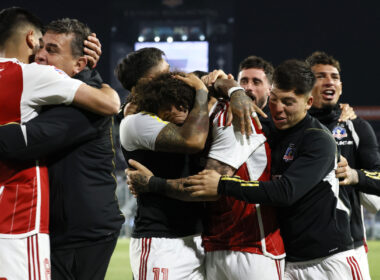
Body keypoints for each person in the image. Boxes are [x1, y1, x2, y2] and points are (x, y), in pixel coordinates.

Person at [184, 59, 363, 280]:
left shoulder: (318, 140)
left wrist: (222, 184)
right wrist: (228, 87)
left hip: (329, 260)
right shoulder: (271, 127)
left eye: (288, 102)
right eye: (275, 99)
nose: (279, 108)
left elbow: (285, 192)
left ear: (308, 102)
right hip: (290, 261)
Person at [127, 57, 285, 280]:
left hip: (252, 249)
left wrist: (152, 183)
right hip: (212, 246)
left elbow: (207, 187)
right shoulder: (202, 124)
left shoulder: (233, 120)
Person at [0, 10, 123, 280]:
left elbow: (19, 143)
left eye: (52, 50)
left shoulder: (83, 110)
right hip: (58, 227)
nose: (40, 55)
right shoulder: (49, 93)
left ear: (79, 64)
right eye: (41, 46)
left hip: (82, 234)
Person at [120, 71, 210, 280]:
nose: (176, 110)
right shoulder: (140, 125)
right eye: (167, 105)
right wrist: (202, 92)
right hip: (159, 241)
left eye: (181, 104)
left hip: (198, 239)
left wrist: (234, 89)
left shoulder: (198, 123)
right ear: (153, 106)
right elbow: (193, 142)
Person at [307, 51, 380, 280]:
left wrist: (354, 175)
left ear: (341, 86)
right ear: (306, 84)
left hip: (347, 248)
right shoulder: (292, 126)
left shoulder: (357, 127)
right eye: (320, 76)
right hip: (297, 252)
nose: (330, 81)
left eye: (335, 77)